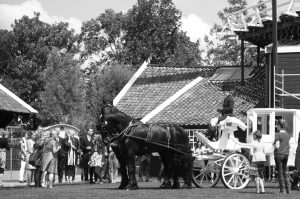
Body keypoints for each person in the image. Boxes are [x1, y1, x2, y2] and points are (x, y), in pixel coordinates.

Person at [274, 119, 291, 194]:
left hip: (279, 155)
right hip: (286, 154)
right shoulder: (287, 134)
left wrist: (273, 144)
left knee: (280, 172)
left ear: (278, 126)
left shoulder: (277, 135)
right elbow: (289, 145)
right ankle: (288, 189)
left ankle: (282, 189)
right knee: (285, 172)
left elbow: (277, 146)